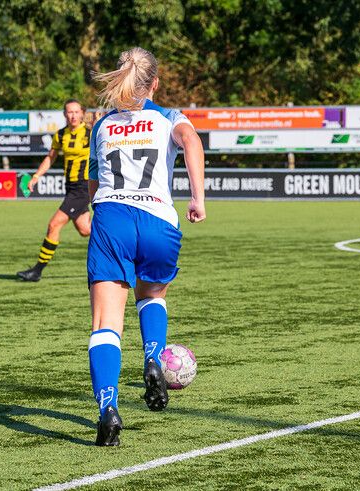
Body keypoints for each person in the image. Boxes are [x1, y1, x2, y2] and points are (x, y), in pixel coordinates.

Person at [86, 47, 206, 446]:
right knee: (152, 294)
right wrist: (197, 198)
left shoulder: (101, 125)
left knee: (106, 324)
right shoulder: (169, 117)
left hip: (112, 220)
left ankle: (107, 408)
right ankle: (153, 356)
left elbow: (93, 185)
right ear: (154, 83)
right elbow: (191, 141)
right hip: (158, 220)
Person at [17, 99, 92, 282]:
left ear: (82, 113)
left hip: (83, 187)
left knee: (54, 224)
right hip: (71, 187)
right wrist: (36, 176)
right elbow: (50, 158)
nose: (73, 115)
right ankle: (122, 238)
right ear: (64, 114)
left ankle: (37, 271)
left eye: (76, 112)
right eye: (69, 112)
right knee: (85, 230)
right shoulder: (60, 135)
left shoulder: (90, 134)